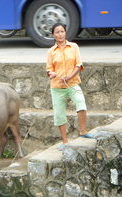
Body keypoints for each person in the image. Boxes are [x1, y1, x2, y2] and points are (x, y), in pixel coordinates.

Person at [46, 23, 94, 151]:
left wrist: (69, 77)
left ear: (65, 33)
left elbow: (78, 65)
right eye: (57, 32)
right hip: (57, 87)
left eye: (62, 31)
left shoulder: (74, 47)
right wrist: (52, 74)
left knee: (81, 102)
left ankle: (83, 131)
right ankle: (65, 141)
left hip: (72, 84)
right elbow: (49, 69)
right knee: (59, 114)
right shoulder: (51, 51)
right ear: (53, 35)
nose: (60, 34)